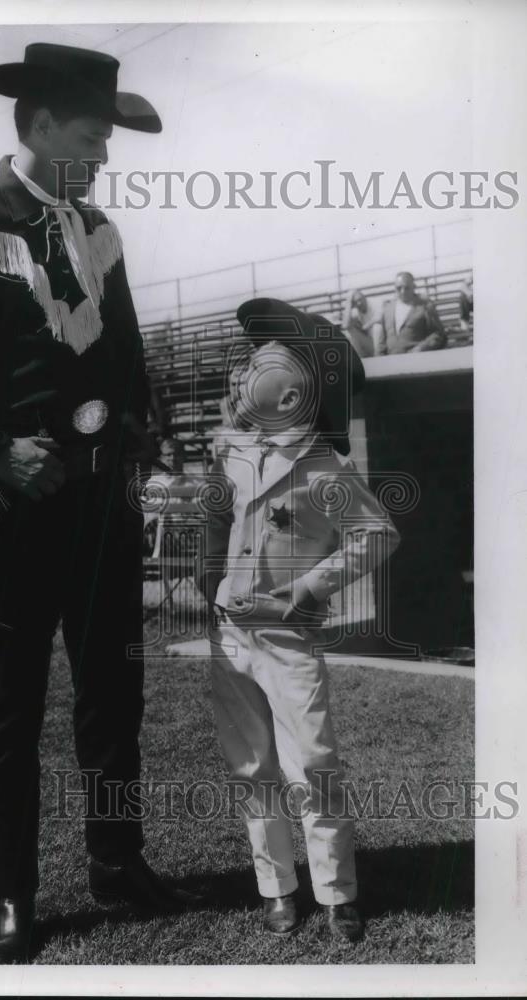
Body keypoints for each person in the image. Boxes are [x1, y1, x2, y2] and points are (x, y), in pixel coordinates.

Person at [0, 42, 200, 963]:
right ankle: (12, 895)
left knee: (114, 698)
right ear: (43, 123)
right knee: (13, 709)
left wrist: (135, 431)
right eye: (92, 138)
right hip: (13, 512)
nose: (102, 157)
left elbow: (126, 354)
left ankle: (118, 862)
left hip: (102, 508)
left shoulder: (99, 230)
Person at [196, 298, 400, 943]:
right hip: (232, 634)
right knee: (251, 765)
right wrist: (214, 584)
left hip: (288, 636)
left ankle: (337, 893)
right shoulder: (229, 449)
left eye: (255, 364)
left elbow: (377, 534)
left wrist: (304, 591)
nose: (238, 374)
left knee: (311, 761)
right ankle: (276, 887)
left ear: (288, 394)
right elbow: (217, 517)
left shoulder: (323, 467)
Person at [377, 271, 447, 354]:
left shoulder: (425, 306)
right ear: (394, 288)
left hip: (417, 360)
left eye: (406, 288)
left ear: (414, 287)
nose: (403, 291)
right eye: (399, 288)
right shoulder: (387, 309)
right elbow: (381, 343)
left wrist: (421, 348)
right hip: (392, 361)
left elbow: (438, 334)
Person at [342, 288, 381, 358]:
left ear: (364, 297)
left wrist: (367, 325)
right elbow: (345, 326)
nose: (359, 303)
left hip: (382, 345)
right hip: (370, 345)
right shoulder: (356, 311)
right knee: (349, 332)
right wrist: (348, 302)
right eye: (355, 302)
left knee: (377, 327)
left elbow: (381, 318)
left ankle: (379, 358)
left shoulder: (374, 303)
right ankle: (360, 362)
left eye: (360, 299)